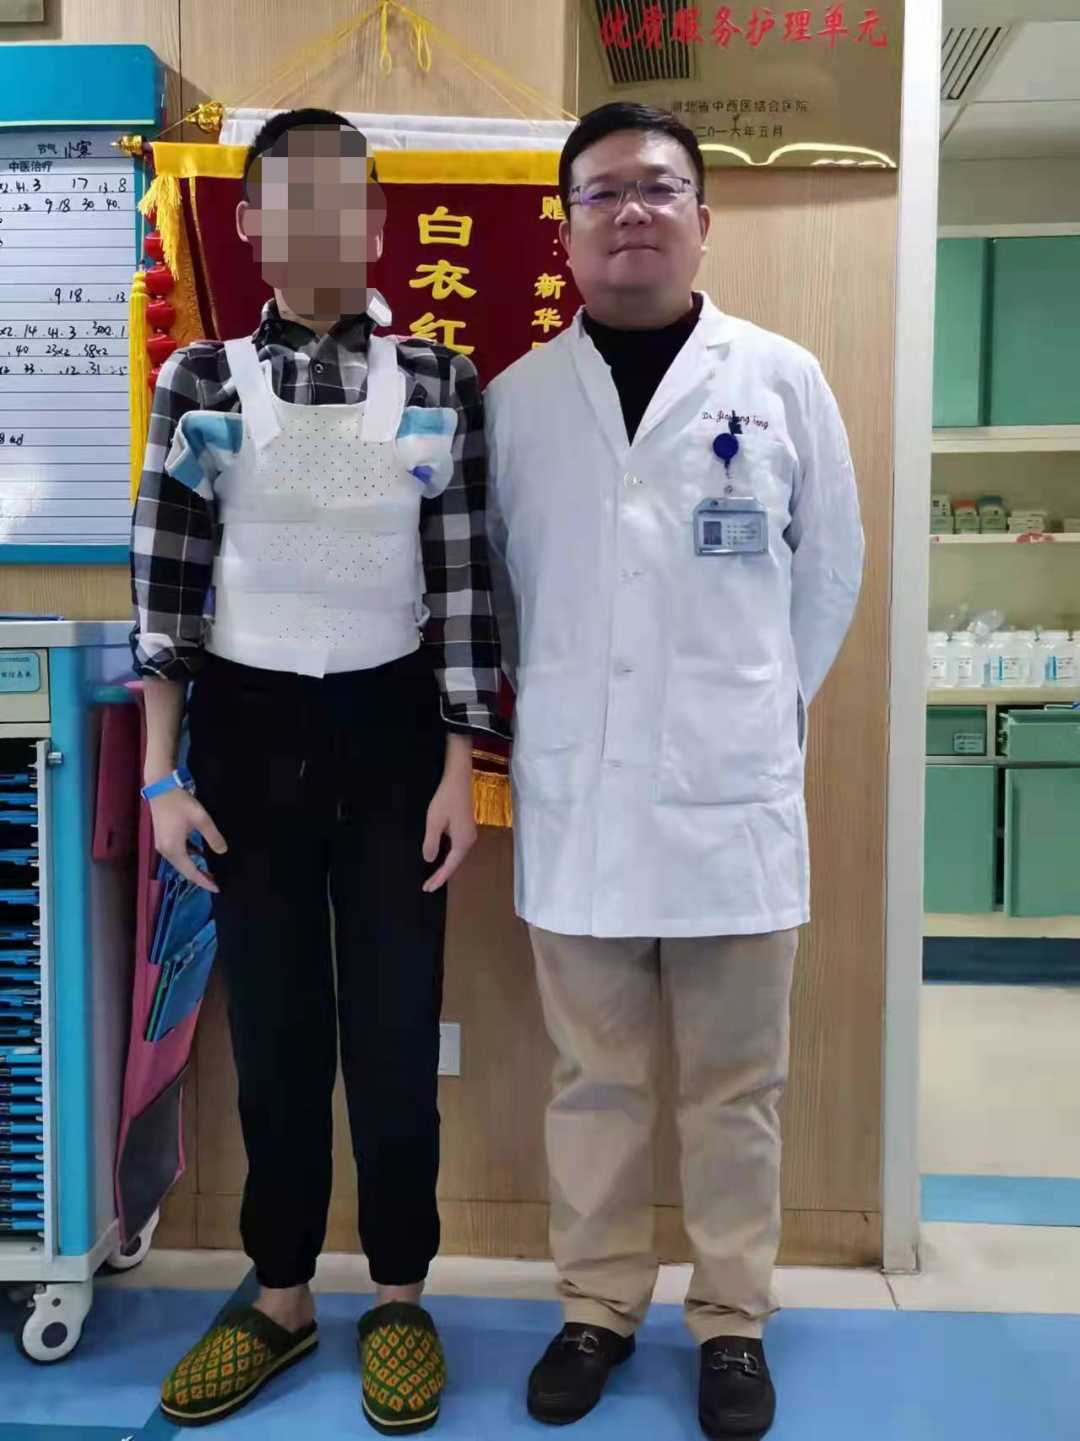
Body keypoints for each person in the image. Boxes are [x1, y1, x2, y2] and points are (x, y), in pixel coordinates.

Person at [485, 103, 863, 1441]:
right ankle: (596, 1304)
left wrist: (748, 710)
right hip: (581, 801)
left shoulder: (783, 380)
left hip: (732, 803)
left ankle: (732, 1319)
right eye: (602, 193)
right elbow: (505, 598)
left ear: (704, 217)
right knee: (591, 1081)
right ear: (567, 230)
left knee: (735, 1089)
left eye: (658, 188)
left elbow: (829, 574)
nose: (631, 211)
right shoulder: (516, 400)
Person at [131, 108, 506, 1433]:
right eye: (291, 202)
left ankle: (400, 1293)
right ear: (249, 225)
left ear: (379, 221)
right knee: (278, 1036)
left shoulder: (439, 378)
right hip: (243, 739)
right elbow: (168, 588)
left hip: (396, 735)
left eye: (345, 201)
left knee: (396, 1032)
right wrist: (162, 779)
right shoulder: (205, 379)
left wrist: (462, 768)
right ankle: (282, 1295)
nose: (320, 225)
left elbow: (466, 586)